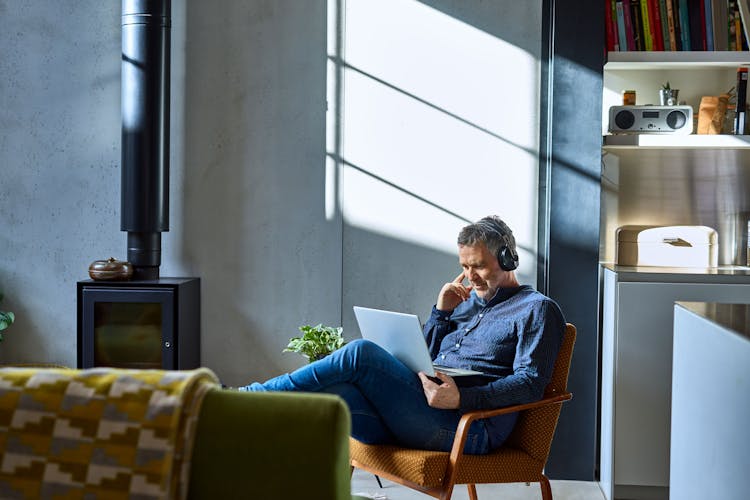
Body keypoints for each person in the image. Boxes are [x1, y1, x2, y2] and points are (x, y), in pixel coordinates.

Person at [237, 216, 565, 455]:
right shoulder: (462, 303)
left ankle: (244, 399)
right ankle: (244, 433)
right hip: (421, 410)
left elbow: (530, 383)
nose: (469, 276)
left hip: (468, 428)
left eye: (477, 265)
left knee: (360, 354)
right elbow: (420, 357)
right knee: (336, 393)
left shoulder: (536, 309)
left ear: (507, 258)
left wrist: (462, 398)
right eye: (464, 266)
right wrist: (441, 313)